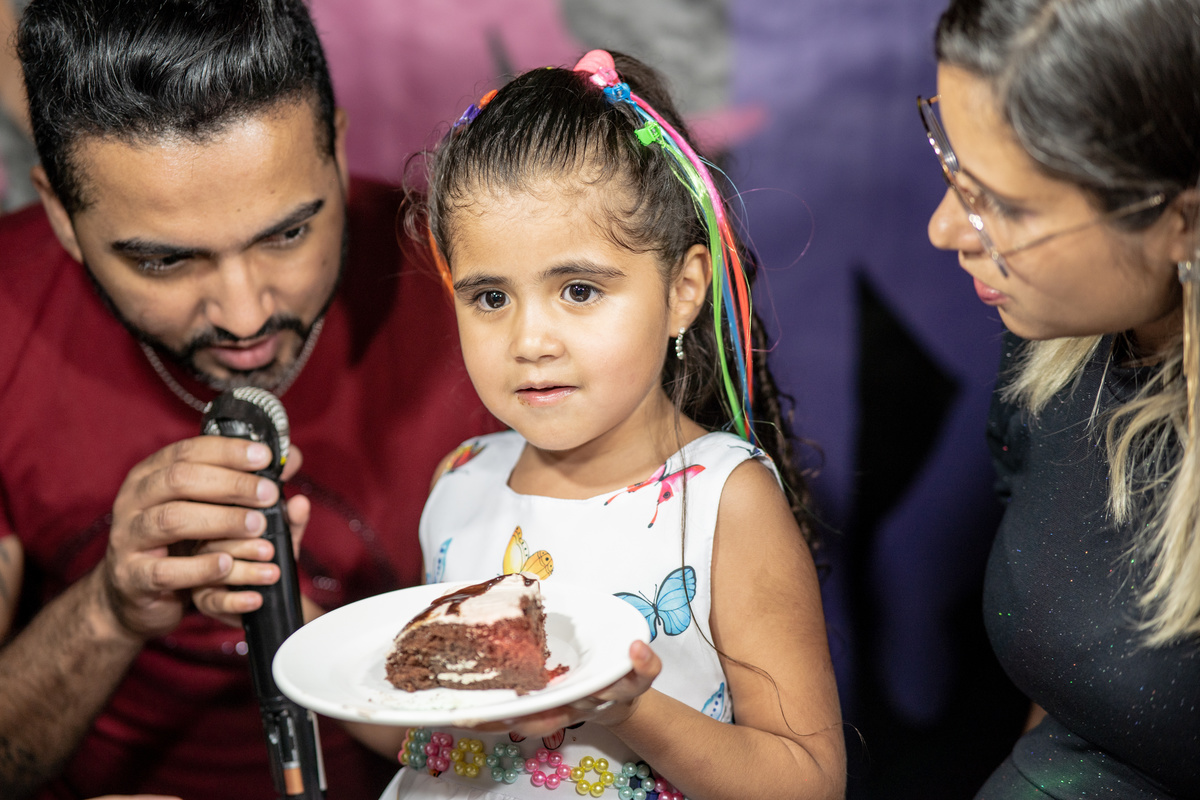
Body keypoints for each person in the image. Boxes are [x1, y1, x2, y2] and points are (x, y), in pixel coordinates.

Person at [0, 0, 493, 798]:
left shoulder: (487, 297)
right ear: (60, 211)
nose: (245, 313)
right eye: (165, 262)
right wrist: (111, 608)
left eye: (287, 234)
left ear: (333, 148)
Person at [371, 50, 845, 800]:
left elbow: (808, 781)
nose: (530, 340)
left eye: (580, 289)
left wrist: (628, 707)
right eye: (490, 298)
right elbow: (425, 732)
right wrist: (299, 626)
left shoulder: (726, 500)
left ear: (684, 291)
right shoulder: (460, 479)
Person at [922, 0, 1200, 797]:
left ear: (1182, 221)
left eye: (1002, 205)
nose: (946, 228)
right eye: (950, 162)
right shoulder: (1052, 341)